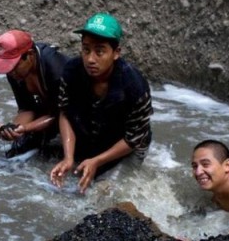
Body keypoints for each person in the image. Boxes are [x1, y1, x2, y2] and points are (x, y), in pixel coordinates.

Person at [49, 13, 153, 194]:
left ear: (116, 53)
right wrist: (68, 157)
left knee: (106, 193)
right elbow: (65, 113)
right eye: (86, 49)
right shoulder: (71, 71)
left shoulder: (134, 86)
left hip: (128, 144)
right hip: (93, 132)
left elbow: (134, 138)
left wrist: (97, 161)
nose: (90, 59)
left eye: (100, 51)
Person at [0, 29, 70, 158]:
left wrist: (26, 128)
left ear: (30, 55)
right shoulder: (14, 73)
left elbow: (60, 115)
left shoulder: (57, 71)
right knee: (16, 149)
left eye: (14, 67)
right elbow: (26, 108)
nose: (11, 73)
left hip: (73, 111)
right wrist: (12, 129)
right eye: (8, 68)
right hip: (50, 110)